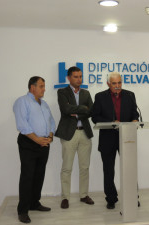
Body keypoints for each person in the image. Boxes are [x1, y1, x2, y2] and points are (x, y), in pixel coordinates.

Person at [92, 72, 139, 209]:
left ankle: (132, 197)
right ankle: (111, 198)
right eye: (114, 83)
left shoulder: (130, 95)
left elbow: (134, 113)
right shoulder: (100, 97)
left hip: (126, 137)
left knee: (130, 169)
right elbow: (95, 117)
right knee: (108, 170)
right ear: (108, 84)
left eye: (119, 83)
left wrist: (135, 120)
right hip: (107, 138)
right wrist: (112, 122)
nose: (118, 86)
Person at [13, 76, 56, 223]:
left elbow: (51, 121)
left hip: (44, 143)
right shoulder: (22, 102)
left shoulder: (44, 104)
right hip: (29, 143)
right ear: (32, 88)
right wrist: (37, 139)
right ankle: (23, 210)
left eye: (44, 86)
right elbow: (22, 124)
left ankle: (34, 203)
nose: (44, 89)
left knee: (39, 175)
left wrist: (50, 136)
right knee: (27, 176)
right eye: (41, 86)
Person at [55, 66, 94, 209]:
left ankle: (84, 195)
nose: (79, 79)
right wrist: (82, 109)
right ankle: (65, 197)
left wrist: (77, 111)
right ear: (69, 78)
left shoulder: (86, 93)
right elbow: (65, 109)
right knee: (67, 167)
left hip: (84, 133)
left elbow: (91, 111)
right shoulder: (62, 92)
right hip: (68, 133)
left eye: (80, 76)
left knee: (85, 167)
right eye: (76, 77)